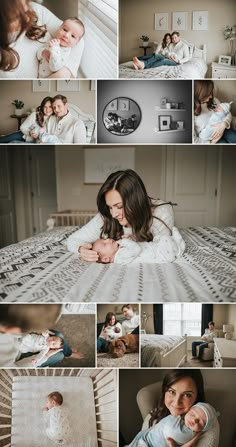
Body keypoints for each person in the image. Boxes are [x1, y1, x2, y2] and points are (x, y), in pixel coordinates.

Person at [67, 169, 178, 262]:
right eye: (110, 207)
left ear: (135, 202)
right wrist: (81, 249)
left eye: (119, 206)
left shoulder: (161, 212)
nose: (114, 214)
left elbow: (167, 250)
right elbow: (73, 240)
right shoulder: (106, 216)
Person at [0, 0, 84, 78]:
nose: (28, 19)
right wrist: (43, 53)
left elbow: (78, 38)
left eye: (27, 10)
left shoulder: (34, 9)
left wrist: (64, 73)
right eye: (17, 17)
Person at [138, 370, 219, 447]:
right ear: (164, 391)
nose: (177, 402)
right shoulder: (152, 416)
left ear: (197, 397)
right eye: (172, 392)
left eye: (187, 395)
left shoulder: (209, 425)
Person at [126, 402, 218, 447]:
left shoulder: (191, 434)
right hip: (146, 439)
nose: (194, 420)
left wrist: (197, 436)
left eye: (200, 422)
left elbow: (188, 445)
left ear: (203, 428)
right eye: (192, 414)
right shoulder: (177, 416)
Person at [92, 227, 185, 264]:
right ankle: (179, 247)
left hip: (154, 247)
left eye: (105, 239)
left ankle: (176, 244)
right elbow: (136, 249)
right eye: (104, 244)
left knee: (160, 238)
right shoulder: (120, 257)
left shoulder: (119, 251)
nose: (108, 240)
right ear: (106, 259)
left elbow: (134, 246)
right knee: (165, 239)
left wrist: (129, 239)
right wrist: (124, 241)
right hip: (160, 254)